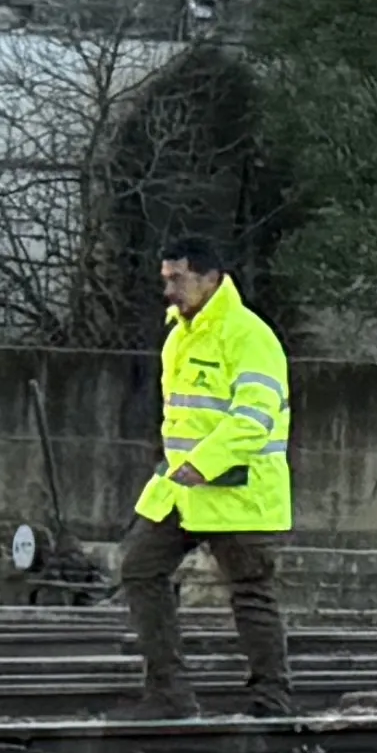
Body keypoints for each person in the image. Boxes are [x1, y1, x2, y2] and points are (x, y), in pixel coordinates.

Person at [123, 235, 299, 720]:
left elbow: (253, 417)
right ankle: (169, 694)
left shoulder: (248, 335)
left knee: (250, 593)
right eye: (166, 279)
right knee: (140, 569)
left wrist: (204, 462)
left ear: (210, 278)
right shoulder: (180, 333)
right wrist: (180, 469)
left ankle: (272, 700)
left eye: (178, 279)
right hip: (183, 489)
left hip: (238, 490)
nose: (169, 290)